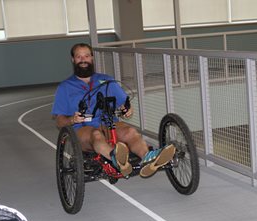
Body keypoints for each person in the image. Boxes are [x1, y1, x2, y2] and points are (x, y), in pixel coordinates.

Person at [52, 43, 175, 178]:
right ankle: (117, 159)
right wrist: (72, 119)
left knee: (130, 131)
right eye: (79, 57)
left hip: (107, 123)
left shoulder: (106, 80)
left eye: (86, 56)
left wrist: (126, 109)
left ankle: (148, 159)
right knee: (96, 135)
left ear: (92, 58)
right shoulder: (64, 87)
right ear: (73, 60)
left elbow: (124, 104)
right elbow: (59, 121)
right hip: (83, 128)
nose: (83, 60)